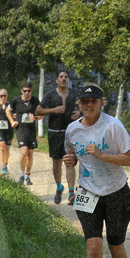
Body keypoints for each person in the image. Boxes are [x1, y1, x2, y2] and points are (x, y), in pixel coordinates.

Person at [62, 83, 130, 258]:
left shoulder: (113, 126)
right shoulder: (72, 130)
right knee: (93, 246)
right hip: (87, 193)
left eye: (93, 101)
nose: (88, 105)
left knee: (116, 246)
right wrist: (71, 182)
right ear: (79, 104)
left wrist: (101, 154)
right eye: (84, 101)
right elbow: (71, 159)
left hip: (117, 193)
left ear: (101, 103)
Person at [36, 70, 81, 204]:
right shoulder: (50, 95)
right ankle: (59, 186)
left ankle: (71, 193)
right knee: (57, 163)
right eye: (61, 77)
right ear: (57, 80)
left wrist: (79, 112)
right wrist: (53, 110)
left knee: (69, 161)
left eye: (66, 77)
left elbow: (82, 107)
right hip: (54, 132)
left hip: (70, 132)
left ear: (69, 80)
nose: (63, 79)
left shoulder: (74, 94)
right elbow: (38, 110)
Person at [6, 81, 41, 186]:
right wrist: (12, 121)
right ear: (21, 90)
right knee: (24, 152)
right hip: (21, 129)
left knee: (30, 154)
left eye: (28, 91)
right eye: (25, 91)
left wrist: (35, 118)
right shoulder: (16, 100)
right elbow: (7, 111)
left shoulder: (35, 101)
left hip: (31, 130)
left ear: (31, 91)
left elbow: (42, 114)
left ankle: (28, 175)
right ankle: (21, 175)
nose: (26, 93)